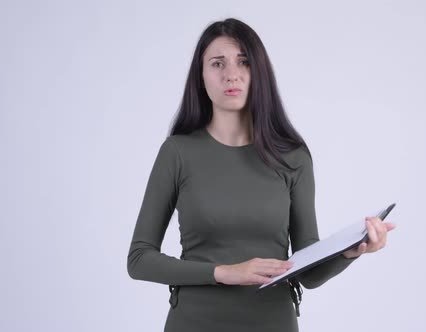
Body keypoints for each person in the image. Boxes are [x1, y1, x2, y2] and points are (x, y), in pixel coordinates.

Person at [127, 17, 396, 332]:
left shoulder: (292, 156)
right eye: (217, 63)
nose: (232, 74)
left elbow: (307, 271)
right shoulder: (177, 152)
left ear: (260, 72)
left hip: (273, 322)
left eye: (244, 62)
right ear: (200, 76)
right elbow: (139, 259)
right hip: (194, 322)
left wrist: (350, 252)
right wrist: (223, 272)